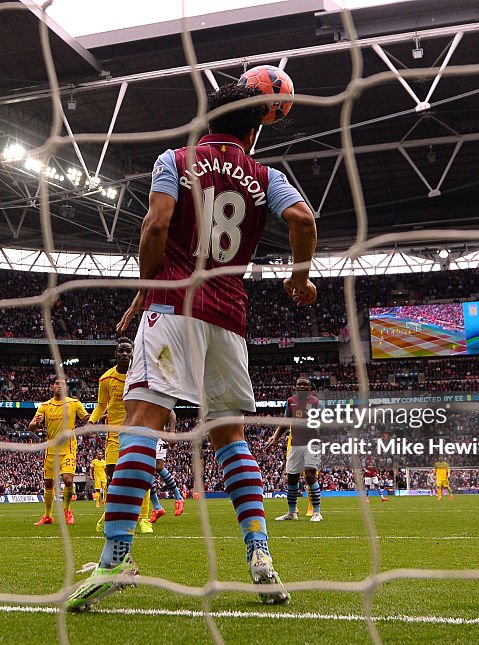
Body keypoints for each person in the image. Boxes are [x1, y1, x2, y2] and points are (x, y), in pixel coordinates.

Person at [68, 82, 316, 611]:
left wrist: (143, 292)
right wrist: (299, 277)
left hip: (174, 307)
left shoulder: (175, 159)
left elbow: (156, 226)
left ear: (209, 120)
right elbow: (303, 220)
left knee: (141, 422)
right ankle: (260, 555)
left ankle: (115, 556)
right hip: (229, 318)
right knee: (230, 438)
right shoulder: (267, 176)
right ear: (254, 129)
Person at [90, 339, 153, 534]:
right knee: (113, 479)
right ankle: (110, 516)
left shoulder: (142, 376)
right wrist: (92, 421)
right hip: (115, 435)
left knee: (143, 474)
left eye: (128, 351)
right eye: (121, 351)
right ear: (116, 354)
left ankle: (143, 519)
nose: (125, 354)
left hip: (139, 431)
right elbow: (101, 405)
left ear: (133, 354)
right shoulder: (105, 379)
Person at [30, 378, 90, 526]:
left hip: (68, 448)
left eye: (63, 384)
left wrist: (98, 416)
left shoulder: (74, 403)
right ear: (52, 386)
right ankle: (48, 516)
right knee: (48, 483)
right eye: (57, 383)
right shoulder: (45, 406)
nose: (59, 386)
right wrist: (35, 424)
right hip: (51, 450)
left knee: (68, 479)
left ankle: (67, 510)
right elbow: (32, 426)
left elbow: (87, 418)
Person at [267, 378, 324, 522]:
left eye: (305, 384)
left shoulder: (317, 403)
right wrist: (275, 438)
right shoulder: (290, 401)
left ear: (310, 387)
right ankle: (292, 512)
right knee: (292, 477)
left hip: (312, 443)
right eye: (299, 384)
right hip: (295, 444)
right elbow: (285, 423)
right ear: (296, 387)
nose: (302, 386)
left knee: (310, 475)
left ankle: (317, 513)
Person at [148, 411, 185, 524]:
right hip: (144, 436)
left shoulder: (156, 395)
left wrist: (172, 432)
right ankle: (157, 507)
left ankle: (179, 498)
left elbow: (171, 412)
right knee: (146, 470)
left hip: (159, 436)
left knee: (158, 466)